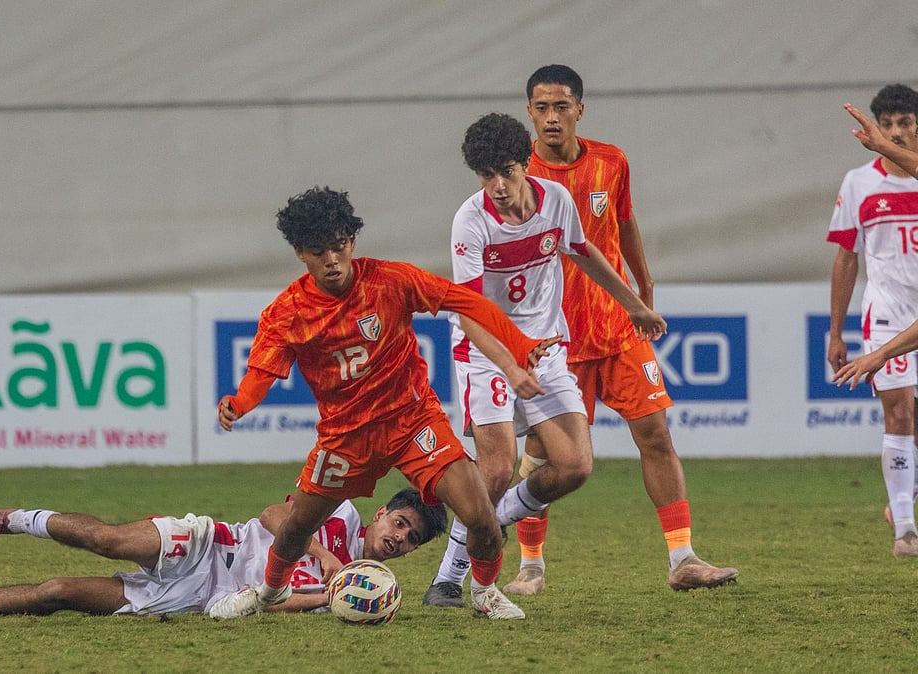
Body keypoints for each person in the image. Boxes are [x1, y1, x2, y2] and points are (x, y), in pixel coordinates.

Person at [210, 186, 560, 620]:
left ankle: (484, 593)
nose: (333, 260)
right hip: (345, 437)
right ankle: (268, 593)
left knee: (481, 516)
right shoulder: (287, 313)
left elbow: (464, 300)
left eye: (339, 248)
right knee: (298, 525)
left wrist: (519, 343)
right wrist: (240, 403)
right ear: (301, 252)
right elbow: (262, 373)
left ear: (352, 242)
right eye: (320, 252)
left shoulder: (390, 281)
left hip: (413, 422)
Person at [472, 65, 737, 597]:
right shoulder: (513, 172)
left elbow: (624, 221)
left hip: (617, 329)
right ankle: (530, 565)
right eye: (541, 107)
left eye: (561, 106)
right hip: (554, 341)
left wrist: (643, 286)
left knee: (656, 434)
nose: (551, 116)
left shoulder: (610, 161)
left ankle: (683, 558)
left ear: (579, 110)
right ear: (529, 112)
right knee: (547, 458)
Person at [423, 110, 671, 607]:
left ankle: (488, 526)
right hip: (486, 353)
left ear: (524, 165)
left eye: (506, 172)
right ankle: (451, 579)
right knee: (495, 471)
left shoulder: (555, 199)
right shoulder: (470, 221)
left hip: (546, 349)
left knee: (575, 466)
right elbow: (469, 312)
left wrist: (634, 305)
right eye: (485, 175)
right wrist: (510, 364)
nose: (496, 185)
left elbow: (584, 252)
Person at [0, 488, 446, 617]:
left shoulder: (369, 592)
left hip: (203, 594)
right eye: (400, 523)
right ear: (381, 514)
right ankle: (11, 520)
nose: (400, 538)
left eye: (411, 539)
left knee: (58, 594)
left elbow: (274, 603)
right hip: (215, 543)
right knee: (107, 539)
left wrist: (328, 598)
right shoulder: (344, 512)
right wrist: (327, 559)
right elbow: (272, 517)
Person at [827, 84, 918, 558]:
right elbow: (847, 259)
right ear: (877, 127)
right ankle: (905, 526)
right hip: (886, 312)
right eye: (888, 124)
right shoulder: (859, 182)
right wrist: (836, 329)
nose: (897, 132)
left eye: (906, 123)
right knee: (899, 413)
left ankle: (904, 497)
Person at [846, 102, 918, 181]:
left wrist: (882, 146)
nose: (895, 133)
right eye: (887, 124)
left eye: (905, 123)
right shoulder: (857, 179)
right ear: (878, 129)